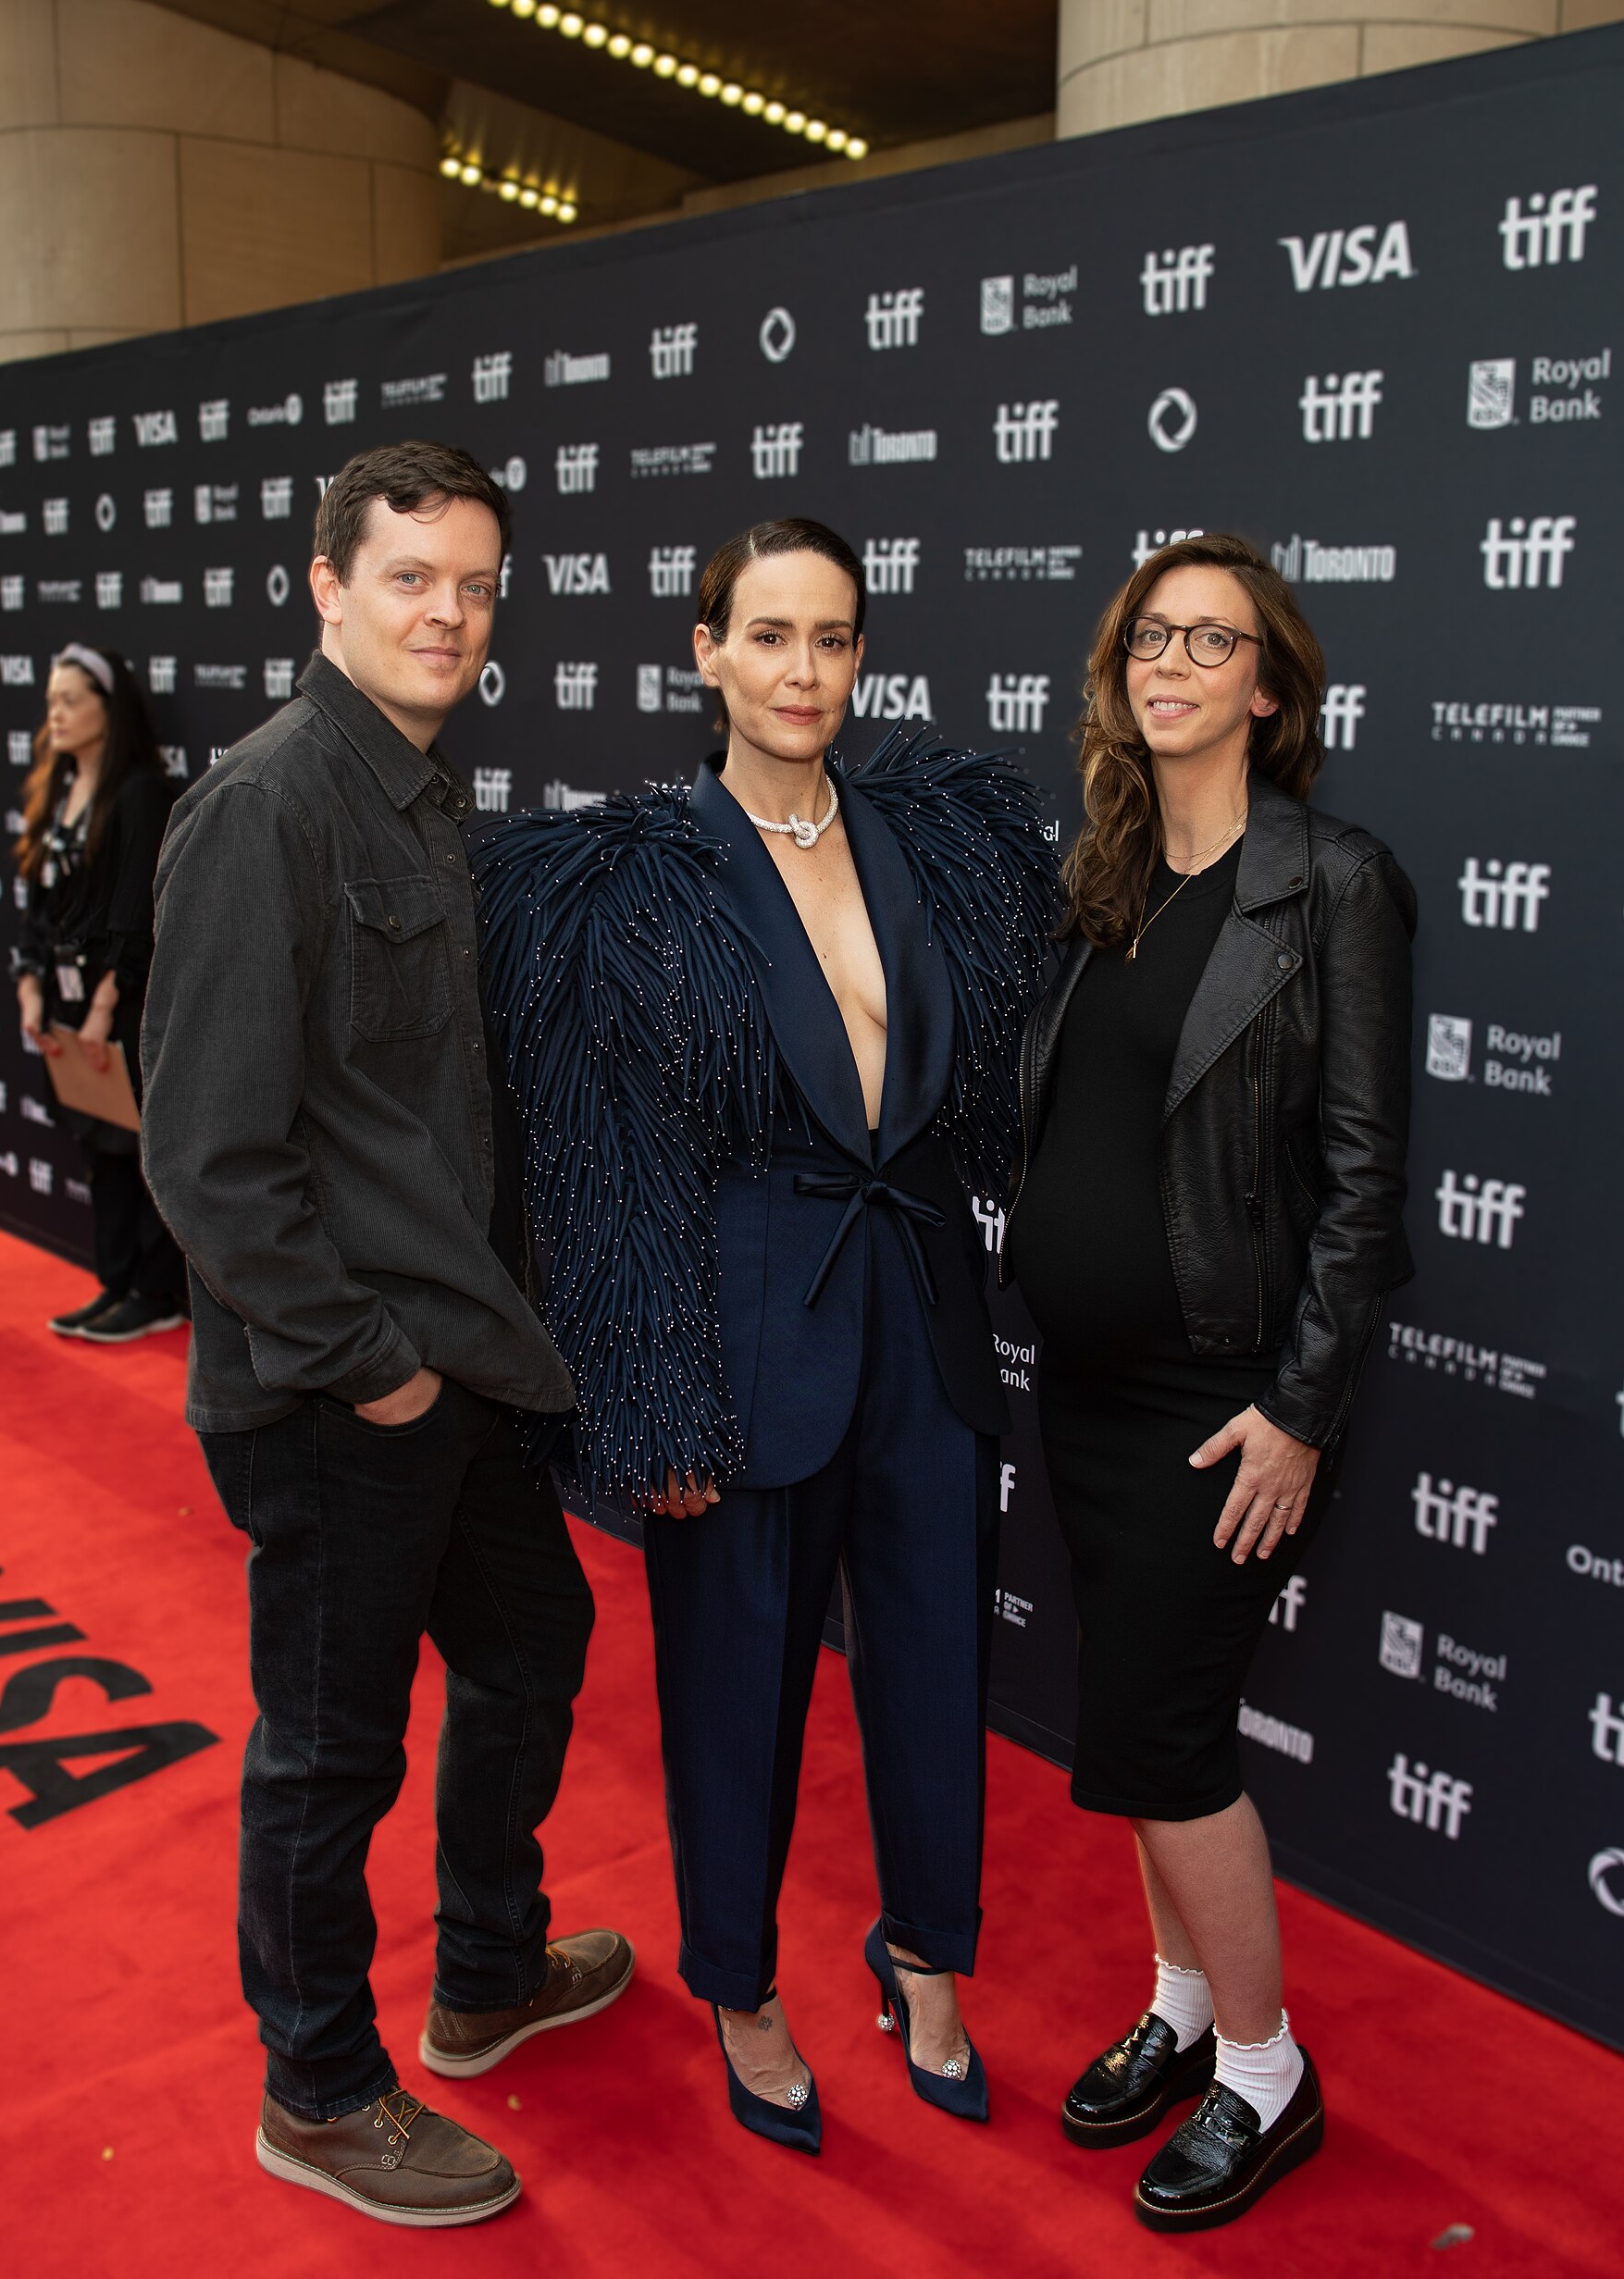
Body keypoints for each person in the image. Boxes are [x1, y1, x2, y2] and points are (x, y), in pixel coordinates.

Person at [475, 520, 1054, 2153]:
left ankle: (926, 1953)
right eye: (772, 634)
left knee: (936, 1669)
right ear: (706, 648)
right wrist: (649, 1400)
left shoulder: (930, 842)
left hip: (925, 1324)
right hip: (733, 1350)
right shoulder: (634, 876)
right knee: (734, 1696)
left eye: (835, 637)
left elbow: (977, 1084)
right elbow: (602, 1164)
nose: (805, 670)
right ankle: (739, 1984)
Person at [140, 442, 633, 2229]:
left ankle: (486, 1967)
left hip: (450, 1363)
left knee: (534, 1638)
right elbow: (207, 1155)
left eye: (476, 583)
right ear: (327, 586)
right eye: (412, 576)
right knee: (332, 1745)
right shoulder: (269, 805)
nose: (450, 613)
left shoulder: (421, 792)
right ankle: (322, 2086)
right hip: (337, 1385)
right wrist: (372, 1364)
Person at [1006, 534, 1414, 2232]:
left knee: (1162, 1743)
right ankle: (1182, 2004)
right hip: (1087, 1391)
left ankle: (1265, 2065)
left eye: (1212, 640)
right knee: (1134, 1722)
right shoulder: (1105, 875)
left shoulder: (1333, 882)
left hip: (1224, 1405)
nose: (1171, 662)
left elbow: (1365, 1180)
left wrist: (1304, 1408)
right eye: (1149, 636)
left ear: (1269, 687)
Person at [12, 646, 185, 1341]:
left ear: (108, 711)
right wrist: (31, 985)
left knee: (140, 1146)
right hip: (67, 1003)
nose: (54, 714)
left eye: (69, 700)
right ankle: (116, 1282)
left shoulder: (139, 793)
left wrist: (106, 1007)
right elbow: (38, 902)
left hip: (122, 1004)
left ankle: (156, 1291)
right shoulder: (56, 792)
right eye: (50, 701)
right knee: (98, 1144)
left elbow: (136, 910)